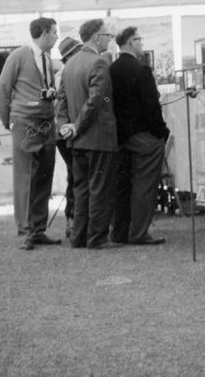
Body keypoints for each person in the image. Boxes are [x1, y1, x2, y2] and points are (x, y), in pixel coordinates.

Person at [0, 17, 62, 250]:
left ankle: (38, 229)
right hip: (25, 122)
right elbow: (3, 89)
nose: (56, 37)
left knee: (44, 175)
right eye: (54, 33)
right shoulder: (18, 56)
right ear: (43, 34)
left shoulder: (47, 59)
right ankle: (25, 232)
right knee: (26, 178)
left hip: (46, 122)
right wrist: (8, 121)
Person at [56, 19, 118, 249]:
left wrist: (66, 126)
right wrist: (77, 126)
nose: (109, 39)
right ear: (95, 37)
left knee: (80, 189)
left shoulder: (70, 65)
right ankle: (97, 238)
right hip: (98, 138)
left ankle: (79, 237)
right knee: (99, 189)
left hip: (76, 141)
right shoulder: (99, 63)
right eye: (107, 35)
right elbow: (95, 102)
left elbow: (61, 101)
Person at [109, 26, 169, 246]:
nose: (142, 44)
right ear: (131, 42)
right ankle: (139, 233)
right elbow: (151, 107)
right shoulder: (141, 70)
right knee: (144, 186)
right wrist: (162, 133)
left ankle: (119, 232)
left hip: (120, 136)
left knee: (122, 187)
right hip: (143, 136)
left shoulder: (111, 69)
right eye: (140, 40)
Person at [53, 36, 82, 238]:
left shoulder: (60, 74)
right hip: (69, 131)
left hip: (60, 132)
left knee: (74, 176)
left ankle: (72, 222)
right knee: (77, 177)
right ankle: (75, 221)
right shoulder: (71, 72)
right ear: (70, 55)